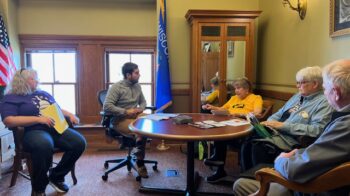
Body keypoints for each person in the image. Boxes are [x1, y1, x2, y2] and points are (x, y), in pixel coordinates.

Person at [233, 59, 350, 196]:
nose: (325, 93)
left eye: (325, 89)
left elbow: (296, 167)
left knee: (243, 177)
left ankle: (260, 180)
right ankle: (252, 177)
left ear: (335, 93)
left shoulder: (343, 124)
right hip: (308, 170)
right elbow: (321, 150)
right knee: (249, 141)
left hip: (308, 186)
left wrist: (282, 159)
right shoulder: (299, 98)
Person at [0, 68, 87, 196]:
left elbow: (56, 108)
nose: (37, 81)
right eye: (33, 78)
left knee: (79, 143)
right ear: (22, 81)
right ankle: (39, 188)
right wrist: (38, 119)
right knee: (44, 145)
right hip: (32, 131)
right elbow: (9, 120)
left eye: (37, 78)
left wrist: (70, 114)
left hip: (55, 128)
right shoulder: (11, 97)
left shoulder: (43, 93)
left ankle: (56, 176)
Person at [240, 66, 334, 172]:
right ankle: (246, 177)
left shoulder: (324, 102)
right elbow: (280, 113)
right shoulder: (297, 96)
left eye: (301, 83)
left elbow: (317, 129)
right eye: (297, 82)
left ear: (315, 84)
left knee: (258, 145)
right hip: (275, 132)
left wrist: (283, 126)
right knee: (248, 138)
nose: (297, 86)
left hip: (290, 139)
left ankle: (261, 181)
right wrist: (268, 122)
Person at [202, 77, 263, 183]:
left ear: (246, 89)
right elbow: (224, 108)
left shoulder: (256, 98)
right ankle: (219, 169)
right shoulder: (234, 98)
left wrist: (239, 114)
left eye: (239, 88)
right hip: (230, 125)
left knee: (221, 135)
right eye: (235, 88)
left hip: (245, 130)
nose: (236, 91)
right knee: (219, 132)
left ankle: (219, 163)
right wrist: (212, 107)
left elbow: (258, 113)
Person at [103, 62, 149, 178]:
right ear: (128, 75)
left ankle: (137, 147)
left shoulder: (137, 86)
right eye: (136, 73)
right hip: (119, 119)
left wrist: (140, 108)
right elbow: (107, 106)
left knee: (149, 123)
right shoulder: (116, 87)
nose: (139, 75)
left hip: (135, 116)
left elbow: (143, 102)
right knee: (141, 130)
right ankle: (140, 162)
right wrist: (126, 111)